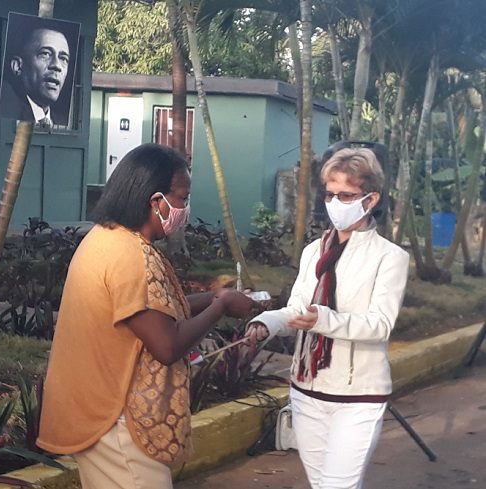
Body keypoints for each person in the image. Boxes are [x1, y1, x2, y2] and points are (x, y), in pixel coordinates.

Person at [37, 143, 255, 488]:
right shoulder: (130, 256)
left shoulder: (107, 238)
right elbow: (166, 345)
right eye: (182, 198)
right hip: (117, 421)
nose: (185, 208)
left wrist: (214, 296)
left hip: (96, 410)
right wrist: (222, 307)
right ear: (156, 201)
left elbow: (155, 309)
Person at [245, 148, 409, 489]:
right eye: (330, 194)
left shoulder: (389, 257)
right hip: (307, 390)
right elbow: (297, 308)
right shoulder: (313, 252)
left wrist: (323, 319)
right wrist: (266, 323)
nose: (335, 203)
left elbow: (380, 324)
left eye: (346, 195)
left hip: (359, 396)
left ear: (371, 199)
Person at [0, 20, 71, 126]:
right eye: (45, 54)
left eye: (63, 58)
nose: (56, 65)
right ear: (17, 66)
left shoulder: (64, 121)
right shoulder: (5, 110)